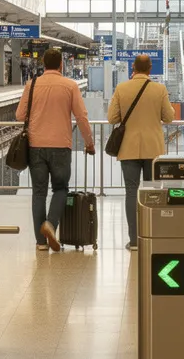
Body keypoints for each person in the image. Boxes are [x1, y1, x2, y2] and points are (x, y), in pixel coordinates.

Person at [15, 48, 94, 252]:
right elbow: (81, 117)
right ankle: (50, 224)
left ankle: (40, 243)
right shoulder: (70, 86)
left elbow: (19, 114)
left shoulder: (31, 85)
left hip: (35, 146)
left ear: (43, 63)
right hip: (60, 146)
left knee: (38, 192)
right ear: (61, 64)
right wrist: (89, 142)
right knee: (60, 189)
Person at [107, 54, 175, 251]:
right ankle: (151, 236)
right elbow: (168, 117)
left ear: (133, 68)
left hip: (128, 148)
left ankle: (134, 240)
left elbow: (112, 118)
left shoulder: (122, 88)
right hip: (152, 147)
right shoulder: (159, 89)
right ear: (150, 69)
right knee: (153, 192)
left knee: (131, 191)